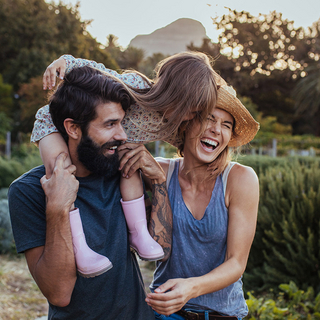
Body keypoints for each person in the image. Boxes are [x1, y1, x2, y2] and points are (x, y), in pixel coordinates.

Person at [31, 51, 219, 275]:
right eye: (189, 109)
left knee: (131, 164)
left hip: (111, 141)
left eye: (196, 112)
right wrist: (65, 62)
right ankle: (80, 248)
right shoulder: (136, 86)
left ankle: (138, 233)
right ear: (173, 93)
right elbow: (97, 70)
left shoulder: (171, 123)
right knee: (60, 171)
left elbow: (192, 142)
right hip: (52, 122)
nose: (189, 116)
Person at [8, 66, 172, 319]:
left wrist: (159, 180)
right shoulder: (28, 191)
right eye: (110, 124)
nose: (122, 134)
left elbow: (165, 247)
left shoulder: (122, 172)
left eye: (121, 122)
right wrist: (58, 207)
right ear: (73, 128)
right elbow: (59, 293)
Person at [124, 78, 259, 319]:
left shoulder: (240, 179)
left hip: (224, 314)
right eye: (208, 118)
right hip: (166, 312)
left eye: (226, 124)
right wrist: (70, 64)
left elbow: (236, 263)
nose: (217, 129)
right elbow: (119, 125)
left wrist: (191, 287)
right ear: (186, 123)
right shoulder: (161, 171)